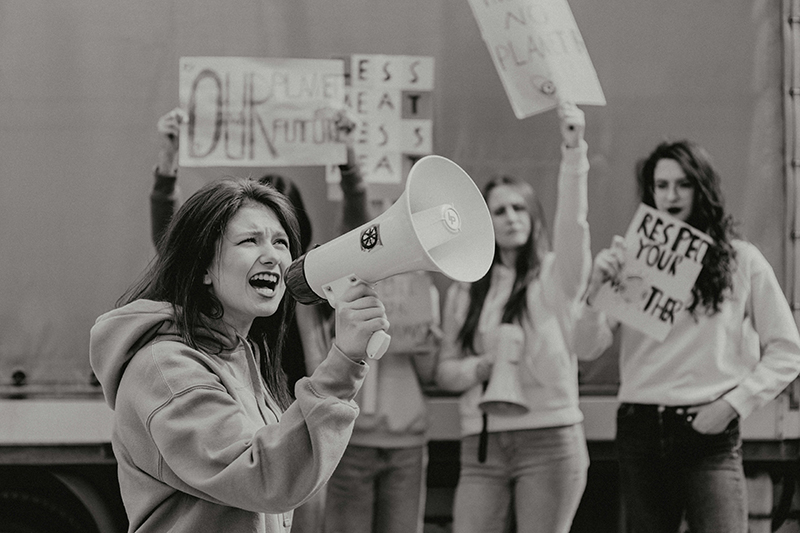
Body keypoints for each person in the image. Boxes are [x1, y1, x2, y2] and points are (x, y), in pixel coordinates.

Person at [89, 177, 389, 533]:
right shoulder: (166, 368)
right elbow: (265, 477)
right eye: (250, 240)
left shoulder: (240, 355)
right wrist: (342, 363)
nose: (273, 256)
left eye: (281, 242)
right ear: (202, 268)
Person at [579, 139, 800, 533]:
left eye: (683, 184)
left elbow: (787, 350)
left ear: (703, 189)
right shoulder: (632, 257)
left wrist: (733, 404)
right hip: (641, 427)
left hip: (709, 430)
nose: (671, 195)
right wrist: (595, 292)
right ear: (650, 193)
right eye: (660, 186)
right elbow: (584, 348)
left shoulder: (740, 259)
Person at [435, 102, 592, 533]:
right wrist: (479, 368)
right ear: (484, 223)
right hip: (482, 444)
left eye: (519, 208)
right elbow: (445, 372)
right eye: (499, 211)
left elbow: (573, 226)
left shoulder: (555, 277)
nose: (510, 219)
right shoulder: (466, 288)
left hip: (550, 439)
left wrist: (573, 150)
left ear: (533, 216)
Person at [322, 266, 441, 533]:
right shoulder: (342, 287)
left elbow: (429, 373)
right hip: (351, 436)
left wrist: (426, 345)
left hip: (405, 436)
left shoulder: (423, 289)